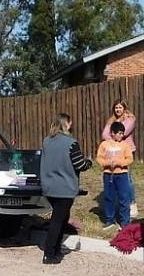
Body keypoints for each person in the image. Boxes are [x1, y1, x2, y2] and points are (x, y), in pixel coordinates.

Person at [39, 113, 92, 264]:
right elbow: (79, 164)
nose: (72, 125)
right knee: (58, 220)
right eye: (70, 123)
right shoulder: (71, 143)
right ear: (66, 124)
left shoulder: (47, 141)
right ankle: (49, 253)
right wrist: (89, 162)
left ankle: (55, 250)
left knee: (61, 218)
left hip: (49, 186)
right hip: (65, 188)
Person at [101, 100, 138, 217]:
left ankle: (132, 203)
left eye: (120, 107)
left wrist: (113, 136)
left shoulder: (130, 119)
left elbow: (124, 132)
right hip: (113, 151)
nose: (118, 110)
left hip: (126, 150)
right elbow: (104, 135)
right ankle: (120, 203)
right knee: (115, 176)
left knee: (127, 177)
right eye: (116, 107)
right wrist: (113, 137)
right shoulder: (111, 120)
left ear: (124, 108)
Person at [96, 121, 133, 230]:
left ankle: (125, 222)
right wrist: (107, 163)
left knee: (124, 198)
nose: (121, 135)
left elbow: (130, 159)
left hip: (121, 175)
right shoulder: (104, 145)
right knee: (108, 197)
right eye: (119, 133)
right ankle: (109, 219)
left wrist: (120, 163)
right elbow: (99, 158)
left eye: (122, 133)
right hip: (108, 175)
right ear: (112, 133)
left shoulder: (125, 145)